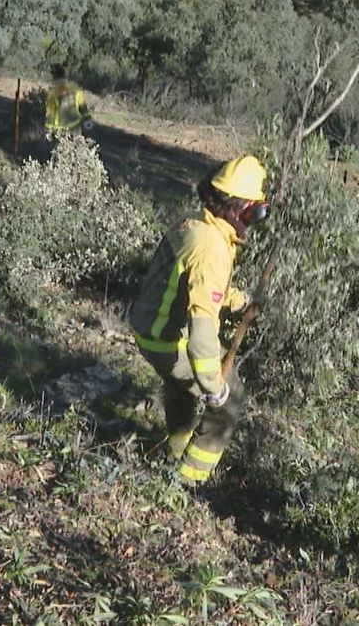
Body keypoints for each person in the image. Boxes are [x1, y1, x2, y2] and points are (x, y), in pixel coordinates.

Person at [128, 155, 272, 485]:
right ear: (243, 209)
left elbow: (203, 287)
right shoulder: (212, 246)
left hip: (149, 328)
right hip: (168, 339)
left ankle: (174, 451)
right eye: (256, 214)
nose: (254, 223)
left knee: (181, 387)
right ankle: (187, 481)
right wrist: (214, 387)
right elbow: (201, 334)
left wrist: (241, 302)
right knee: (230, 400)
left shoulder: (196, 226)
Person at [44, 64, 92, 136]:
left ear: (53, 76)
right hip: (75, 127)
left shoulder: (53, 93)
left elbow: (50, 113)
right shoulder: (76, 89)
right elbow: (83, 108)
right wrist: (88, 120)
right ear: (64, 75)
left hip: (59, 131)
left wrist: (48, 130)